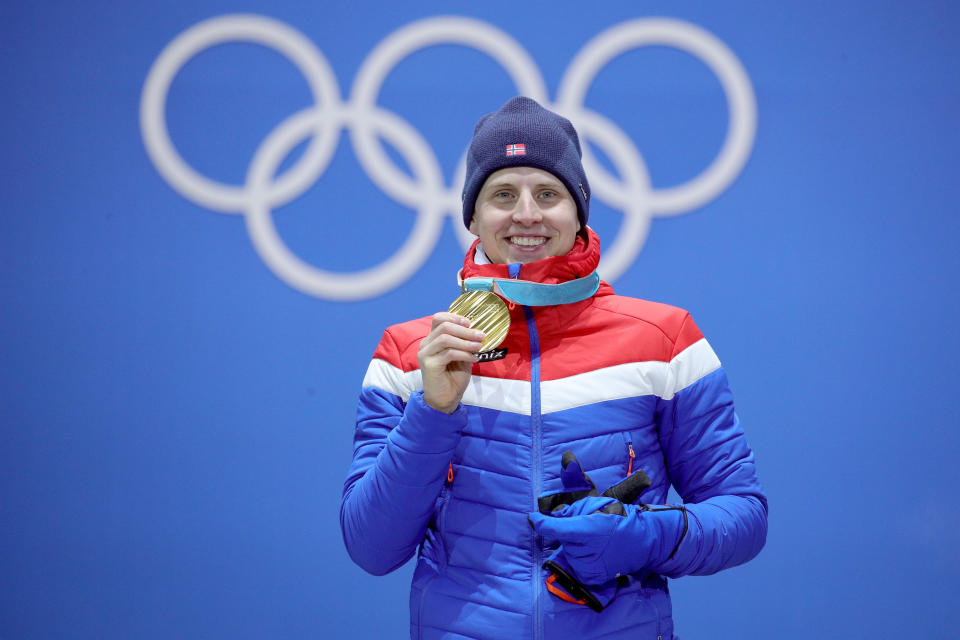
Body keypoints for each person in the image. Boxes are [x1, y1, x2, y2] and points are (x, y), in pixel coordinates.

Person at [340, 96, 767, 639]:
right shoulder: (410, 353)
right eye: (502, 195)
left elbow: (744, 516)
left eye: (548, 193)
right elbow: (370, 546)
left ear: (578, 210)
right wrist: (432, 411)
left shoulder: (664, 339)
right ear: (472, 215)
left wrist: (645, 536)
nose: (526, 214)